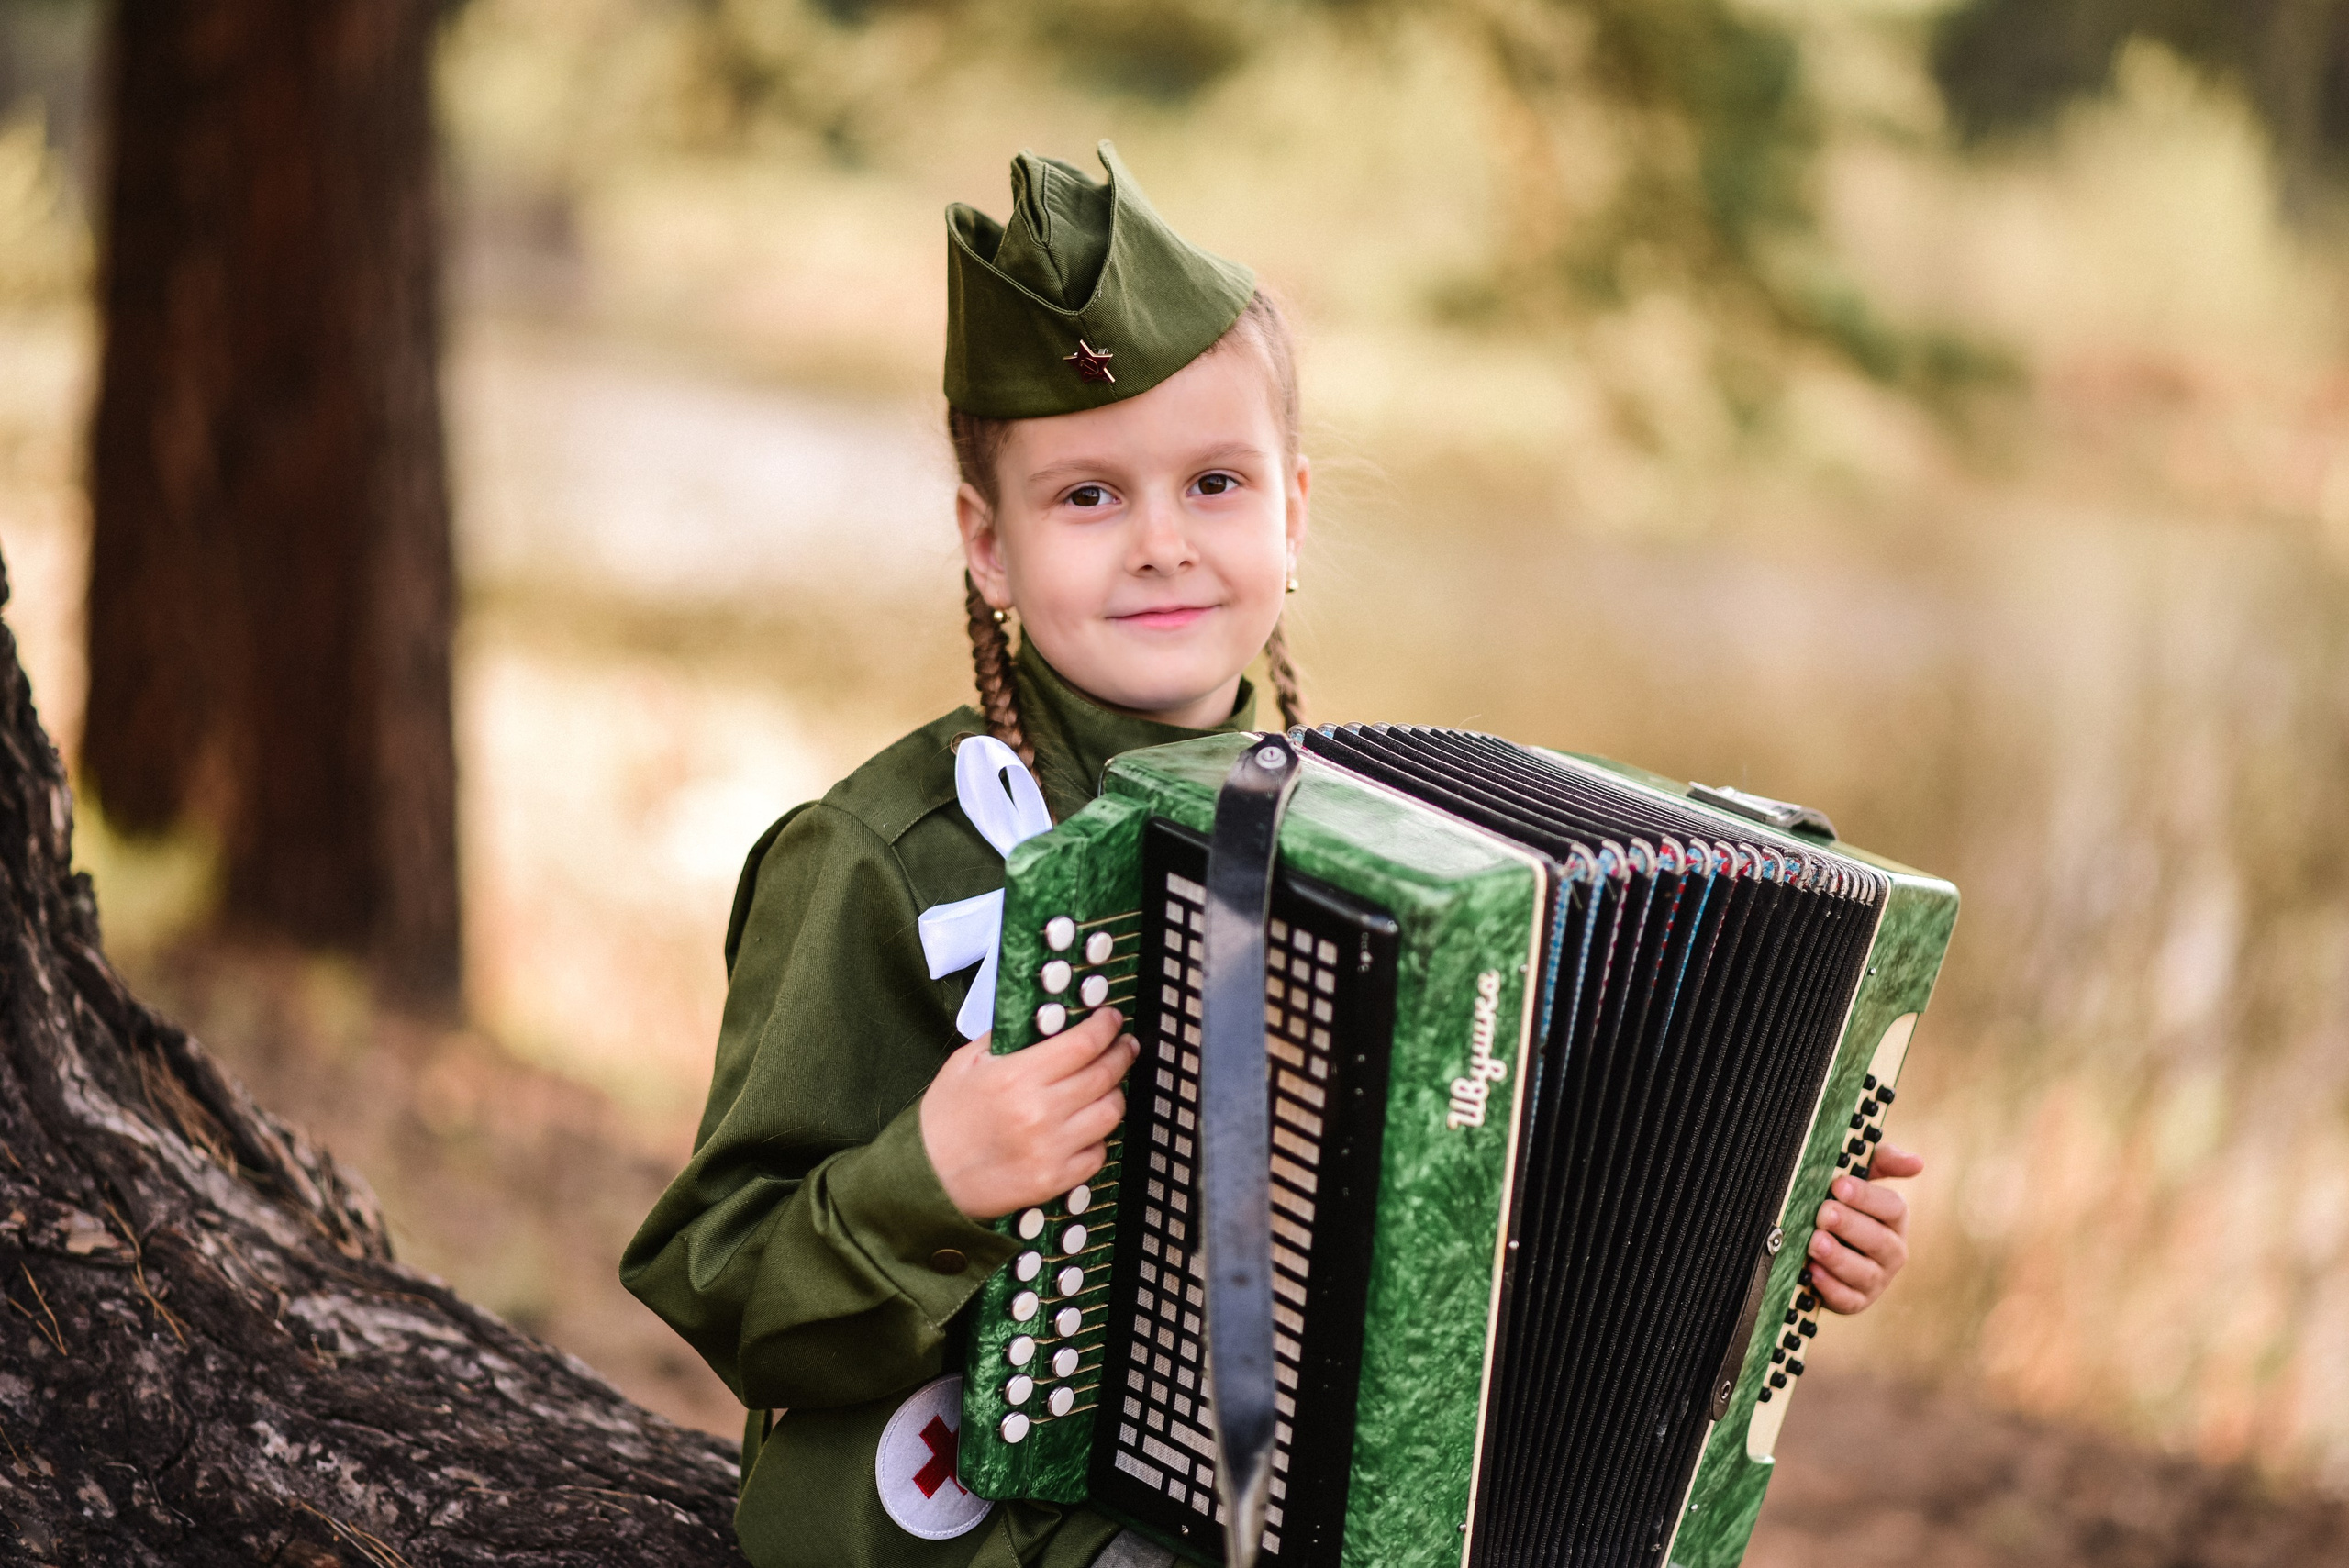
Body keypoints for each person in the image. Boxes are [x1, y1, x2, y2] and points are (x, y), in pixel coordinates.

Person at [620, 141, 1920, 1568]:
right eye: (1088, 497)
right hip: (983, 1530)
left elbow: (1507, 1214)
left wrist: (1771, 1225)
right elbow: (720, 1281)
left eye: (1216, 483)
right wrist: (928, 1175)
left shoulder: (1411, 864)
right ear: (986, 547)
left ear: (1295, 513)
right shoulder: (879, 857)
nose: (1163, 543)